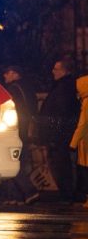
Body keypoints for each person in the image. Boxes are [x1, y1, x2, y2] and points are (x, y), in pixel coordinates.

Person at [38, 58, 80, 202]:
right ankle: (67, 194)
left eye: (56, 69)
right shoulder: (63, 86)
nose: (53, 71)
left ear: (64, 71)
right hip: (59, 136)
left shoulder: (63, 88)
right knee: (62, 166)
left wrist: (55, 137)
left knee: (61, 166)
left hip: (59, 137)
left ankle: (67, 195)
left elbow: (61, 114)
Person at [2, 65, 40, 205]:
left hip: (16, 130)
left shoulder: (13, 89)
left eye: (6, 73)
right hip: (25, 130)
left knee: (12, 161)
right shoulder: (28, 88)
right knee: (20, 162)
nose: (5, 76)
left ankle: (29, 192)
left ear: (13, 73)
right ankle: (16, 196)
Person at [69, 75, 88, 207]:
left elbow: (82, 125)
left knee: (85, 171)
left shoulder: (86, 102)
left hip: (86, 143)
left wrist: (73, 143)